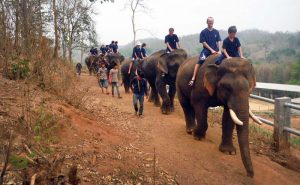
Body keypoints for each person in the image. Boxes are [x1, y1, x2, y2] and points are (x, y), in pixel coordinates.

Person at [189, 17, 222, 86]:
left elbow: (219, 41)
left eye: (212, 21)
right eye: (209, 21)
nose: (211, 23)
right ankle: (193, 77)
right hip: (206, 51)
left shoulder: (216, 32)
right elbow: (204, 43)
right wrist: (211, 50)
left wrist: (219, 50)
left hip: (216, 50)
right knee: (200, 60)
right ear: (207, 22)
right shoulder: (203, 32)